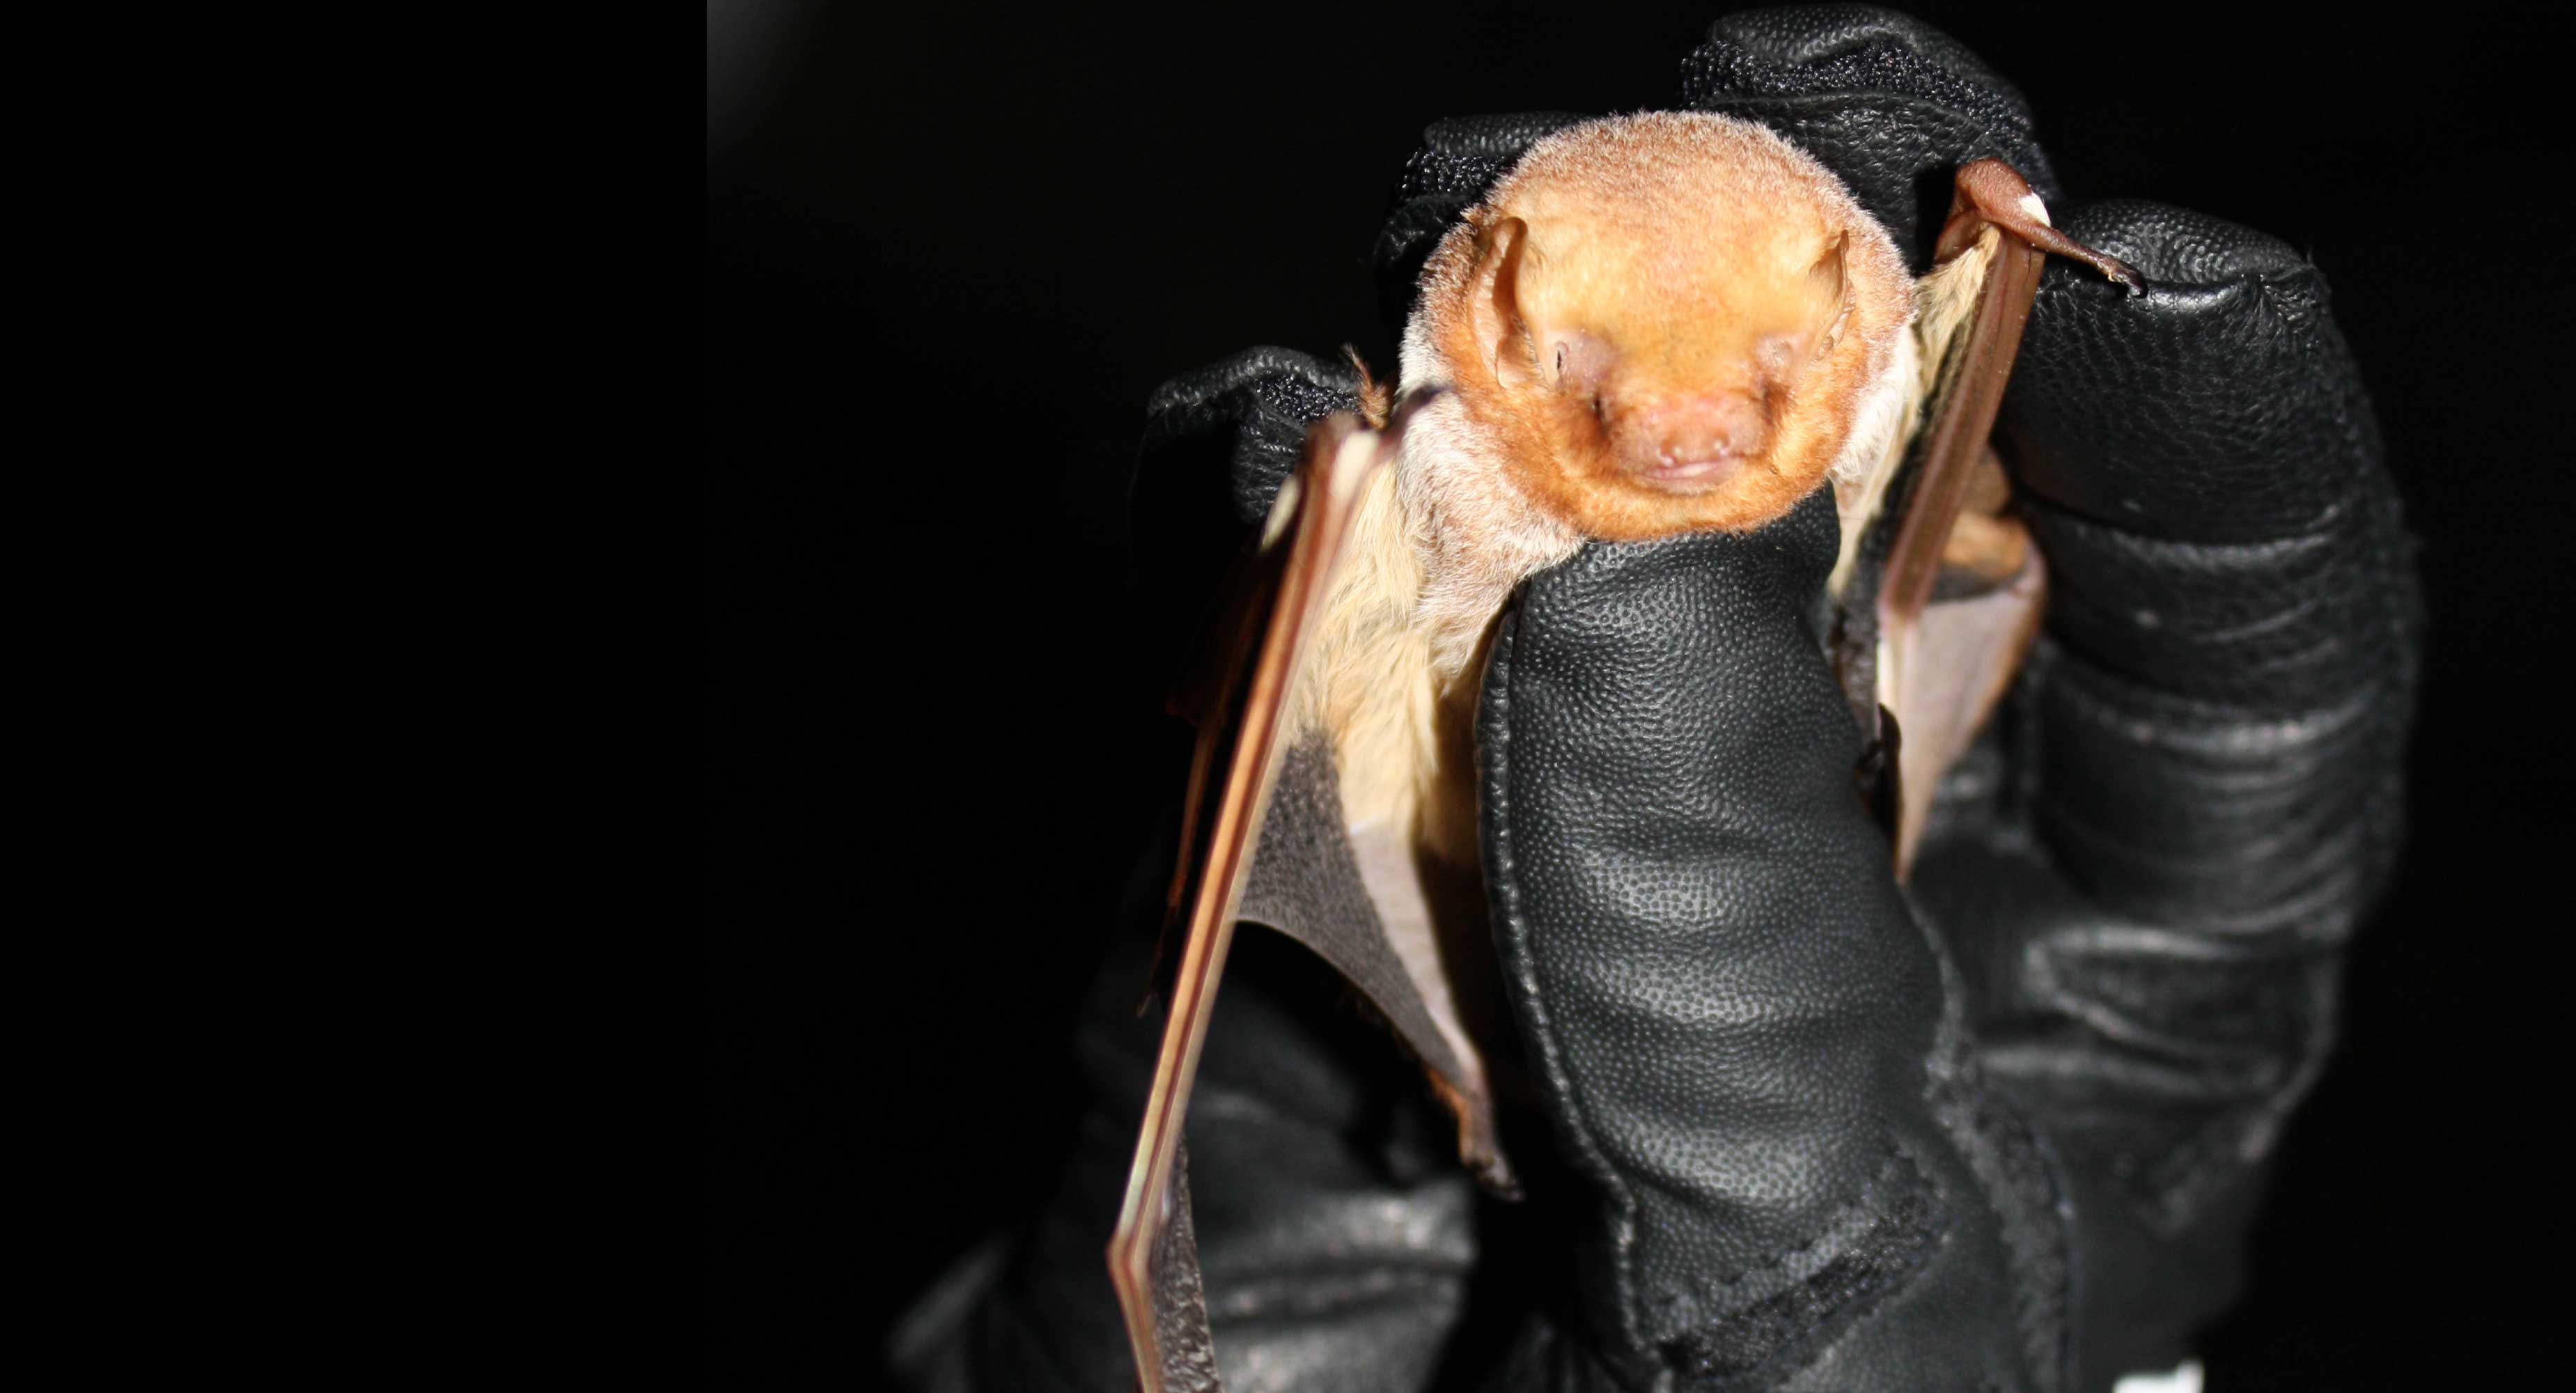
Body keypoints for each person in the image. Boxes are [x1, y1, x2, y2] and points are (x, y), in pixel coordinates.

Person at [890, 9, 2419, 1391]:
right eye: (1592, 371)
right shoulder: (1434, 449)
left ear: (1851, 308)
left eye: (1766, 372)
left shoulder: (1881, 349)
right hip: (1466, 833)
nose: (1685, 434)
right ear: (1497, 311)